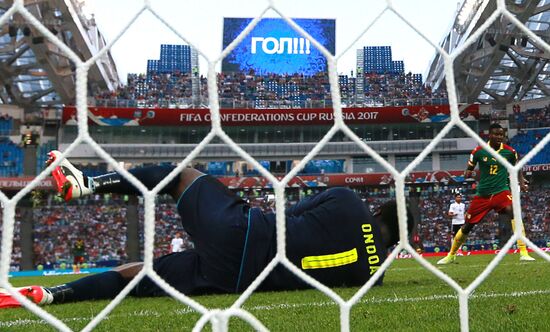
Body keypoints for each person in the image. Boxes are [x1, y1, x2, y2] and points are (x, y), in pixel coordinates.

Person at [0, 150, 414, 308]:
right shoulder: (372, 277)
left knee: (181, 175)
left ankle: (87, 183)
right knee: (140, 274)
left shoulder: (348, 200)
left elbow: (296, 213)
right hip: (235, 281)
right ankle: (51, 295)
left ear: (382, 205)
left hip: (244, 232)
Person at [437, 123, 535, 265]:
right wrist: (467, 173)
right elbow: (469, 170)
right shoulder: (478, 151)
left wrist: (521, 181)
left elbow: (517, 167)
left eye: (501, 134)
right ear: (490, 135)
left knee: (514, 212)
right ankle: (451, 255)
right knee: (467, 226)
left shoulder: (509, 152)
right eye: (496, 134)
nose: (499, 137)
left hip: (501, 191)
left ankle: (523, 252)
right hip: (482, 195)